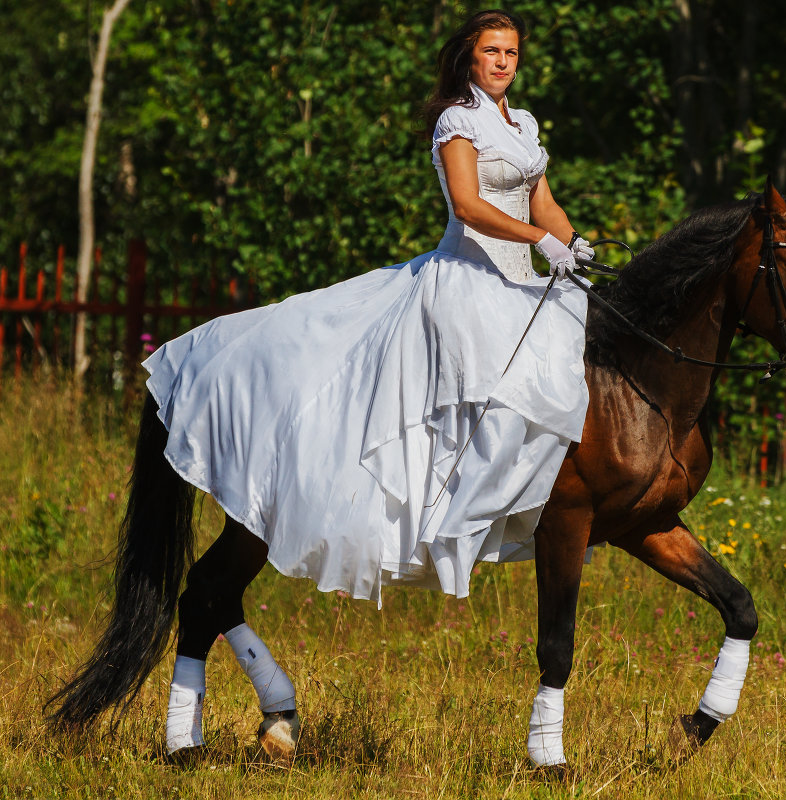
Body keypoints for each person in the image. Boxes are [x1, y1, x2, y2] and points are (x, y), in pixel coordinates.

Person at [143, 8, 591, 606]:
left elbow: (546, 204)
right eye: (492, 52)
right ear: (470, 57)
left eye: (511, 52)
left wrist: (572, 244)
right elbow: (467, 205)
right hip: (467, 279)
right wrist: (540, 241)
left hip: (519, 285)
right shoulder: (459, 121)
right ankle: (442, 515)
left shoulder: (525, 125)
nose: (503, 62)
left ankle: (538, 507)